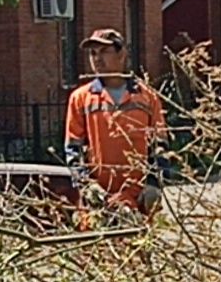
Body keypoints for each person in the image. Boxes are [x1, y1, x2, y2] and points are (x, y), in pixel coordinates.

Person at [65, 27, 167, 221]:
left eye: (104, 51)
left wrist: (154, 184)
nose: (97, 59)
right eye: (93, 53)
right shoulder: (81, 98)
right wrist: (86, 185)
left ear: (121, 54)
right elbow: (73, 150)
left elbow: (160, 146)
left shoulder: (147, 97)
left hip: (138, 198)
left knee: (138, 240)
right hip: (98, 200)